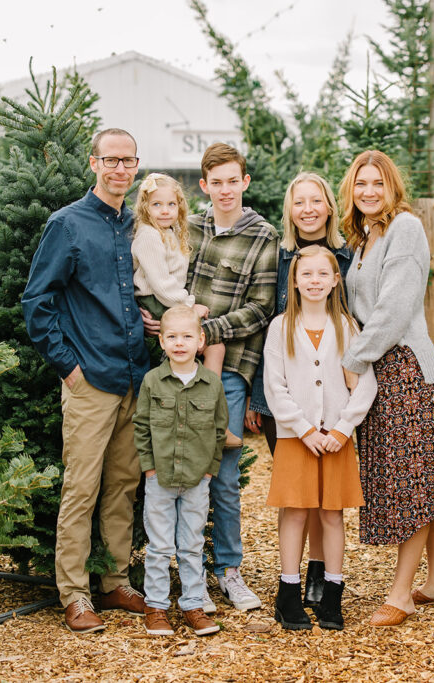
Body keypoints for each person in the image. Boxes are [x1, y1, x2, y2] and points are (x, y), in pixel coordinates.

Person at [22, 127, 149, 634]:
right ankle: (74, 594)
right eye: (111, 160)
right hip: (89, 380)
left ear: (136, 166)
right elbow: (37, 301)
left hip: (133, 378)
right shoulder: (67, 225)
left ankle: (115, 581)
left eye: (128, 161)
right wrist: (67, 367)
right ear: (93, 163)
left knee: (123, 486)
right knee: (81, 489)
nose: (120, 169)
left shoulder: (137, 226)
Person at [143, 142, 278, 612]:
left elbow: (262, 308)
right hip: (174, 365)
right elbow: (160, 276)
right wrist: (156, 318)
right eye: (215, 182)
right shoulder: (187, 227)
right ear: (204, 186)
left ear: (245, 182)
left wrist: (206, 330)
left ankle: (229, 571)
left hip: (230, 369)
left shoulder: (263, 235)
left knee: (220, 471)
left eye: (232, 181)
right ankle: (179, 569)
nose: (224, 190)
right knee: (171, 464)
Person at [338, 150, 434, 627]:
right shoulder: (364, 238)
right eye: (360, 184)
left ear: (393, 188)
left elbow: (394, 308)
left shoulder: (405, 229)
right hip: (382, 368)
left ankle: (401, 594)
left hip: (406, 369)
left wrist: (352, 359)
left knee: (410, 483)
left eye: (377, 183)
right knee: (425, 477)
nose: (369, 191)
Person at [245, 172, 353, 610]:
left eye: (316, 200)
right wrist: (258, 396)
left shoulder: (347, 257)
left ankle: (319, 577)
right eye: (298, 202)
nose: (308, 209)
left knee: (328, 502)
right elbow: (267, 330)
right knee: (300, 496)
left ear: (328, 205)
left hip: (339, 393)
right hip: (289, 400)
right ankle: (292, 581)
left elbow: (354, 323)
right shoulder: (278, 257)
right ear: (289, 210)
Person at [263, 245, 376, 631]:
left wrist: (343, 428)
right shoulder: (280, 327)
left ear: (335, 280)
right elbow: (274, 387)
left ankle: (332, 595)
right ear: (294, 280)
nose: (314, 281)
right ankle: (288, 594)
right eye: (306, 274)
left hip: (336, 439)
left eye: (322, 275)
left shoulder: (346, 327)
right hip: (297, 437)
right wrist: (304, 428)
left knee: (331, 514)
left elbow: (365, 385)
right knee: (294, 512)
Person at [133, 305, 227, 637]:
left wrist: (209, 470)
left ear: (200, 340)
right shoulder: (152, 381)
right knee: (159, 547)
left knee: (191, 545)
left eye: (187, 336)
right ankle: (156, 608)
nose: (179, 343)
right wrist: (148, 468)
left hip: (196, 480)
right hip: (159, 479)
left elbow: (219, 430)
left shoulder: (211, 385)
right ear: (161, 342)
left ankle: (192, 606)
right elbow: (141, 426)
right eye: (172, 336)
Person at [131, 173, 234, 445]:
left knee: (212, 347)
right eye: (156, 205)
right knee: (194, 352)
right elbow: (162, 285)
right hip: (158, 302)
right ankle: (201, 423)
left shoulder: (171, 233)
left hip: (169, 300)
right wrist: (191, 306)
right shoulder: (149, 236)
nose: (165, 210)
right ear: (144, 207)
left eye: (171, 205)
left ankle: (208, 418)